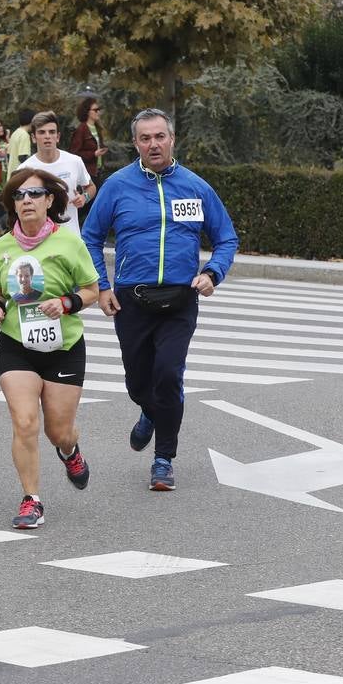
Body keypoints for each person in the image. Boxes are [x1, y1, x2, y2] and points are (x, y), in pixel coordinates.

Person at [81, 108, 238, 491]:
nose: (154, 144)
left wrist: (212, 272)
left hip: (180, 301)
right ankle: (150, 412)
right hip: (131, 300)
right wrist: (102, 286)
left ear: (172, 139)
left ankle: (164, 458)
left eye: (160, 137)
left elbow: (227, 238)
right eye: (145, 138)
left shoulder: (196, 187)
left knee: (169, 375)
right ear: (136, 143)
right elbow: (89, 237)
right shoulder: (118, 186)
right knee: (138, 382)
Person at [0, 169, 99, 528]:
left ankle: (69, 450)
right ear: (12, 205)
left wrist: (66, 304)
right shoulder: (2, 247)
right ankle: (31, 499)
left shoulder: (68, 243)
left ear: (50, 200)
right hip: (17, 345)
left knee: (58, 431)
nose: (27, 201)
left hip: (63, 346)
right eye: (19, 196)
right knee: (24, 421)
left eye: (35, 194)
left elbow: (92, 290)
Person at [19, 112, 94, 235]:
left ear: (58, 136)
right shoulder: (25, 169)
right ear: (33, 138)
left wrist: (84, 197)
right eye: (42, 132)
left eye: (52, 132)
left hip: (71, 237)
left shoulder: (74, 161)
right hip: (38, 239)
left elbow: (91, 187)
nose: (47, 136)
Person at [69, 96, 108, 186]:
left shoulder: (98, 128)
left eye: (99, 109)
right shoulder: (81, 129)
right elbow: (74, 153)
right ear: (87, 112)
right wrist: (93, 154)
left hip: (99, 171)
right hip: (87, 172)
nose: (98, 112)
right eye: (95, 110)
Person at [5, 108, 35, 179]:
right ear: (32, 121)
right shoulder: (24, 135)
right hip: (19, 177)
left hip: (12, 174)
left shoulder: (15, 133)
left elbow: (9, 155)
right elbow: (22, 157)